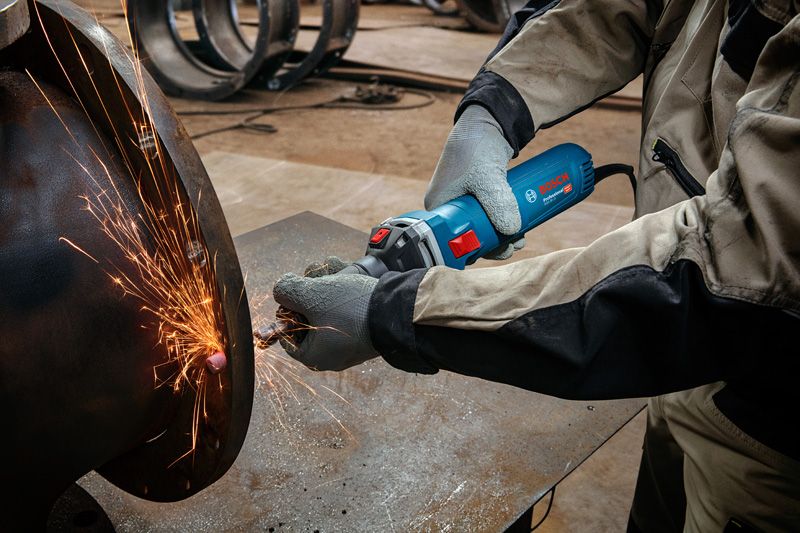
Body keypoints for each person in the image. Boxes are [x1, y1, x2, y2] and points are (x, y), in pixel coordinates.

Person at [273, 1, 800, 530]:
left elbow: (733, 273)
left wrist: (394, 310)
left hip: (764, 418)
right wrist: (491, 114)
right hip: (671, 366)